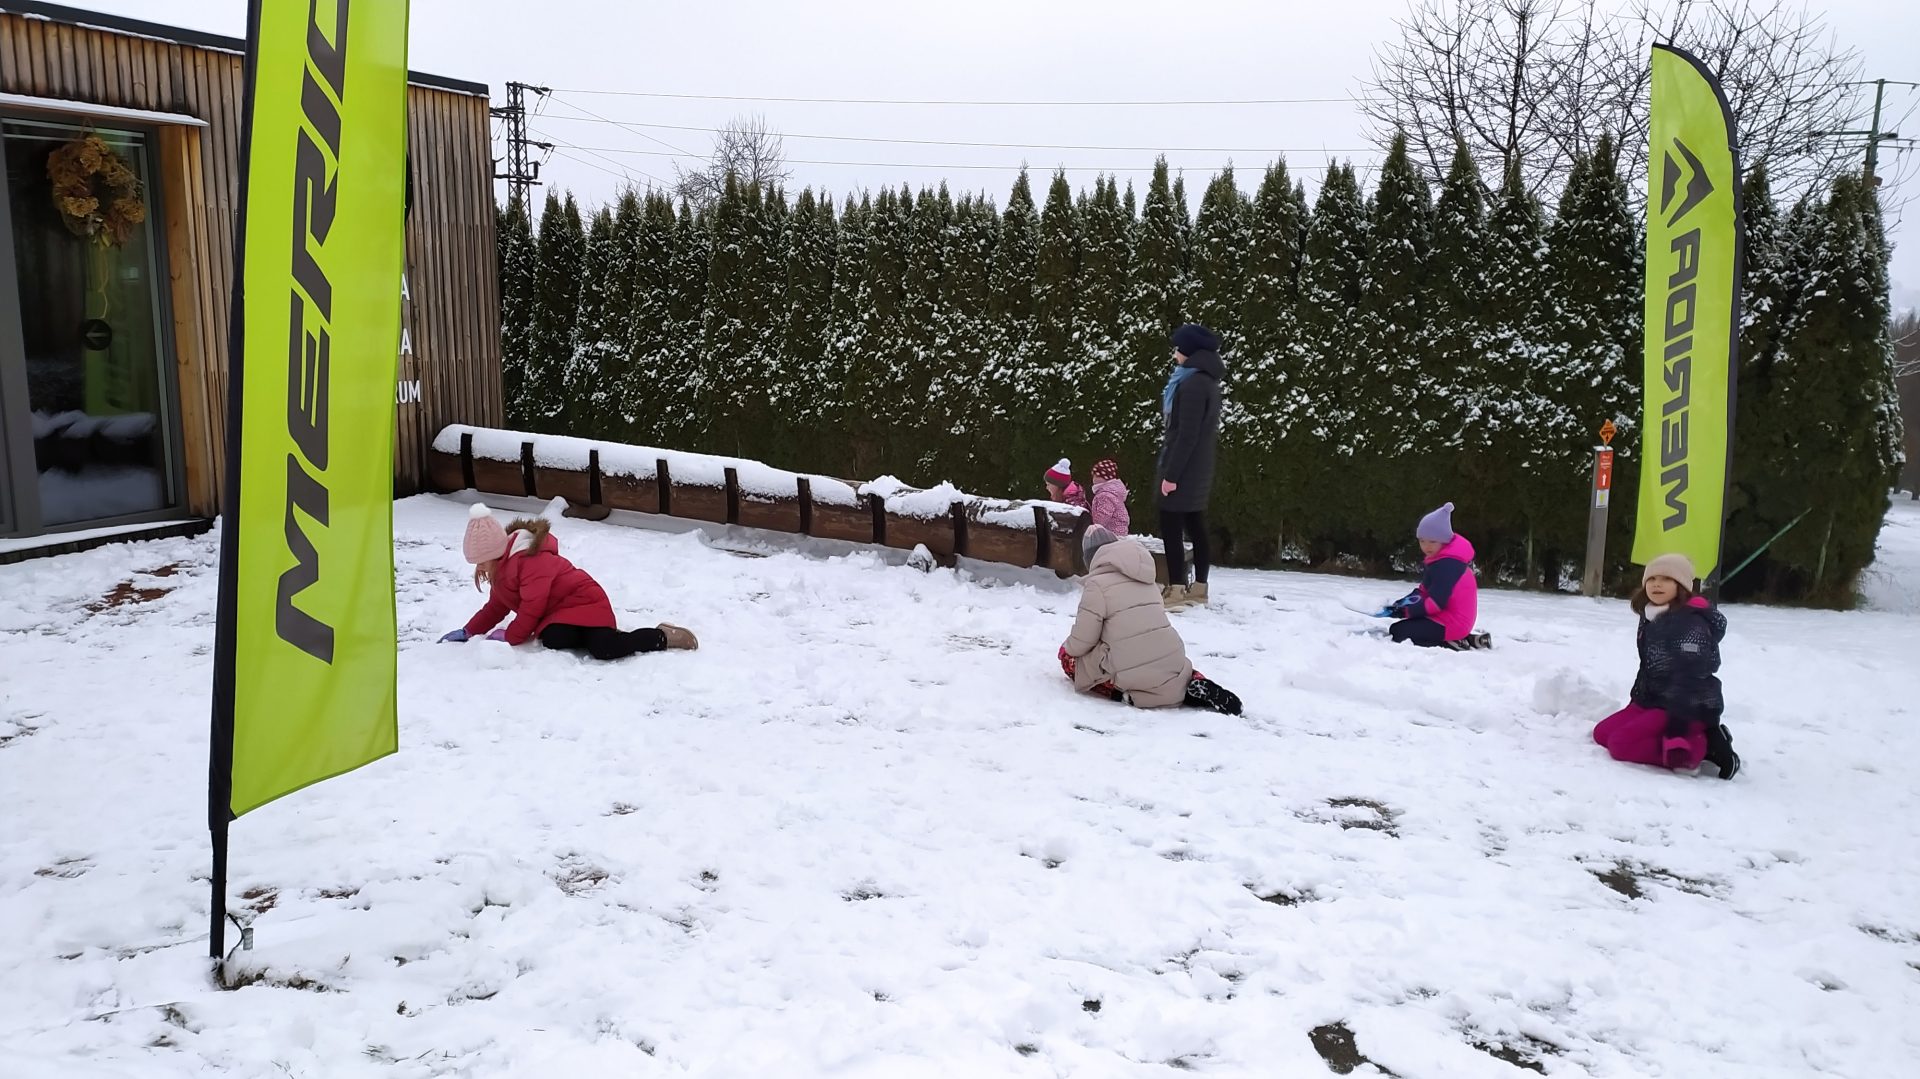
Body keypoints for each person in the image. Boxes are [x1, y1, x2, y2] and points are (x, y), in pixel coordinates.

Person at [439, 503, 698, 659]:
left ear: (496, 554)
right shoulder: (503, 570)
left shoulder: (530, 562)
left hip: (585, 601)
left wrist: (511, 636)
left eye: (482, 562)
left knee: (605, 649)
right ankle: (593, 634)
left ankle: (663, 636)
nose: (480, 569)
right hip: (560, 612)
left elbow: (532, 608)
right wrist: (469, 630)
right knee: (553, 638)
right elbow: (496, 607)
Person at [1058, 526, 1242, 714]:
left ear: (1090, 559)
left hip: (1129, 663)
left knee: (1070, 661)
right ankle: (1194, 682)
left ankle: (1122, 693)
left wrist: (1067, 649)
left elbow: (1083, 640)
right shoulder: (1145, 577)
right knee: (1173, 669)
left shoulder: (1096, 585)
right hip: (1170, 654)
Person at [1591, 553, 1740, 779]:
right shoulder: (1652, 614)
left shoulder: (1690, 623)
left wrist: (1677, 731)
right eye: (1651, 579)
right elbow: (1649, 666)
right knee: (1602, 734)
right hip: (1653, 699)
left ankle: (1701, 746)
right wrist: (1638, 702)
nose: (1657, 584)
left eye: (1667, 579)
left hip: (1686, 706)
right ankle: (1678, 737)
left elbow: (1689, 680)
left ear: (1682, 586)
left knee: (1620, 745)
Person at [1158, 324, 1225, 610]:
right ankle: (1199, 588)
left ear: (1189, 351)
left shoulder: (1192, 384)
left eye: (1178, 349)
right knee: (1196, 525)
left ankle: (1176, 590)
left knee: (1171, 525)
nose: (1175, 355)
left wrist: (1171, 475)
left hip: (1185, 469)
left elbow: (1186, 434)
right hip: (1198, 467)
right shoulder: (1206, 381)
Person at [1383, 502, 1488, 650]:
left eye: (1432, 541)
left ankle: (1451, 642)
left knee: (1399, 632)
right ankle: (1469, 639)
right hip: (1447, 617)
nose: (1426, 546)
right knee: (1403, 627)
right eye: (1422, 541)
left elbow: (1436, 603)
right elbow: (1424, 592)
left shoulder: (1448, 566)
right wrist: (1399, 605)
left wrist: (1407, 611)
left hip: (1453, 622)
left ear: (1444, 541)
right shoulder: (1441, 560)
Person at [1088, 457, 1129, 536]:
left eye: (1095, 476)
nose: (1093, 479)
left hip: (1110, 534)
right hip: (1117, 532)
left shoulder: (1105, 496)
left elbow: (1102, 517)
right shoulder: (1112, 492)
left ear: (1104, 477)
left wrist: (1093, 528)